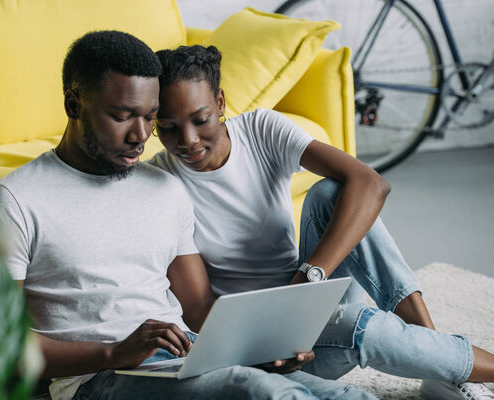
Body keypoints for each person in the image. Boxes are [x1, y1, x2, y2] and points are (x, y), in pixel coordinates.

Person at [0, 30, 379, 400]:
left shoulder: (163, 188)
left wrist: (265, 348)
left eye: (150, 117)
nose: (141, 135)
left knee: (344, 394)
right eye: (123, 116)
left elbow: (201, 312)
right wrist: (112, 354)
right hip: (100, 380)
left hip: (190, 358)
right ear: (74, 104)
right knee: (260, 393)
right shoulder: (19, 200)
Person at [149, 44, 494, 400]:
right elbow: (200, 313)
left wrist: (306, 280)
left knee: (332, 194)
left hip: (311, 295)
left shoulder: (259, 130)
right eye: (169, 127)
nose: (187, 140)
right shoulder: (161, 183)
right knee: (365, 326)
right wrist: (275, 342)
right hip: (263, 345)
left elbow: (372, 183)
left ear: (220, 103)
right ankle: (443, 364)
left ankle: (440, 366)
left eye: (200, 119)